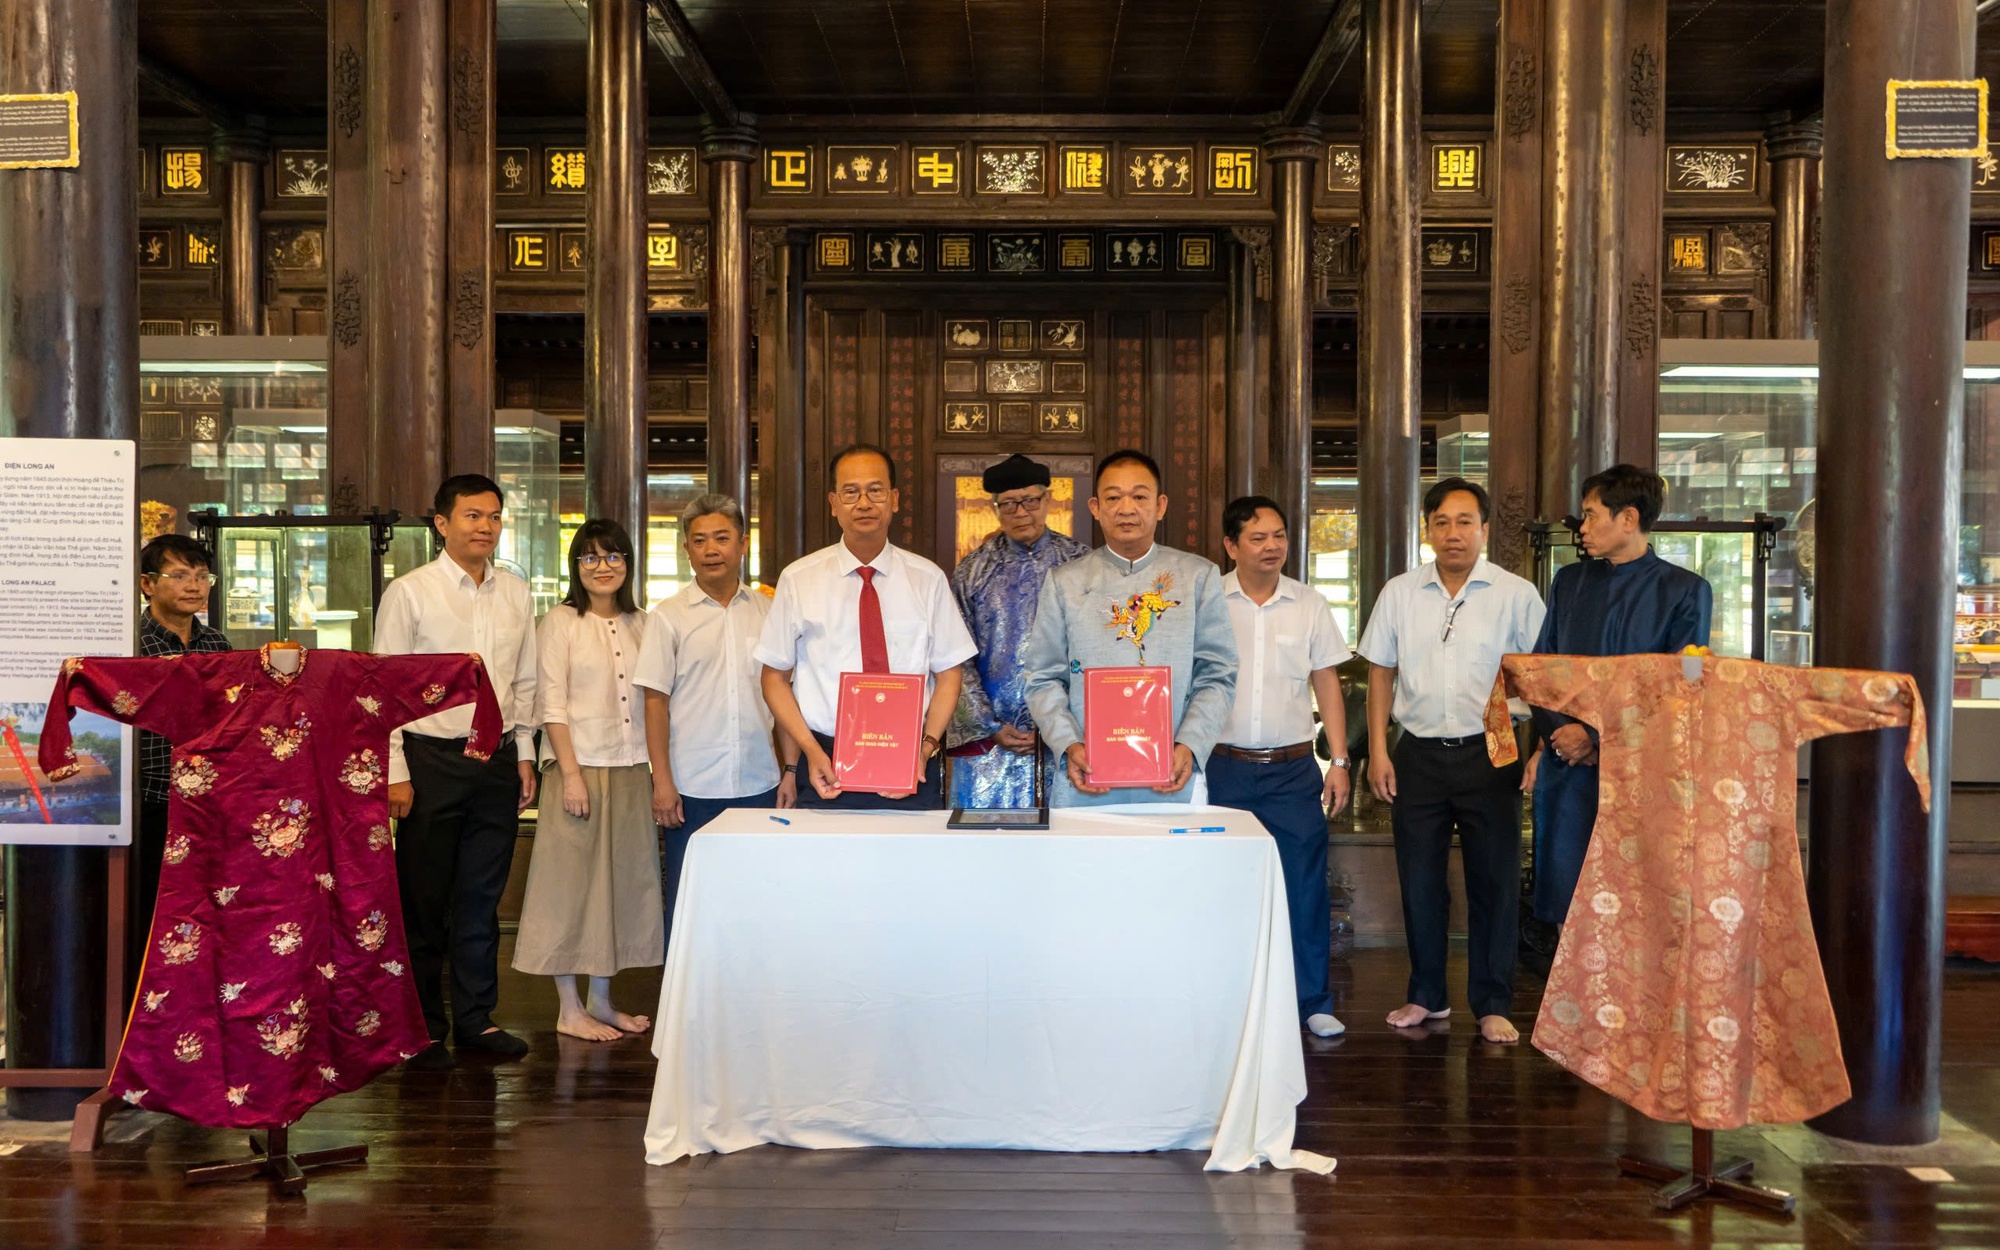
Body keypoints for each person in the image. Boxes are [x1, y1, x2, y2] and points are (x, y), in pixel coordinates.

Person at [1358, 478, 1546, 1045]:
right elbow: (1380, 673)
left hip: (1493, 749)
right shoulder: (1400, 592)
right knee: (1420, 882)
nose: (1453, 533)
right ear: (1428, 530)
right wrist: (1377, 751)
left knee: (1495, 882)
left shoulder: (1515, 594)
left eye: (1465, 522)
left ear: (1484, 529)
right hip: (1416, 752)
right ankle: (1426, 995)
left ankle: (1492, 1002)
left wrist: (1541, 750)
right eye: (1441, 522)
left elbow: (1545, 676)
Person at [377, 474, 540, 1068]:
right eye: (472, 516)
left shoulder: (516, 593)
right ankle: (421, 1028)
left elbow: (525, 682)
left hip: (496, 759)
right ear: (442, 523)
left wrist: (525, 754)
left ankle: (476, 1019)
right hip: (430, 760)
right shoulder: (410, 592)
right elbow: (384, 688)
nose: (485, 527)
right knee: (423, 900)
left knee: (481, 897)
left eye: (494, 516)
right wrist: (395, 770)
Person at [1528, 463, 1712, 925]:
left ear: (1628, 518)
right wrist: (1564, 734)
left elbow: (1684, 684)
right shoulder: (1569, 582)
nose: (1583, 527)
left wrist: (1594, 736)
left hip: (1640, 770)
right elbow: (1540, 668)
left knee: (1637, 903)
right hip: (1568, 766)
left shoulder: (1687, 591)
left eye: (1591, 515)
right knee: (1568, 901)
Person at [756, 444, 976, 810]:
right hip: (825, 761)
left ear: (894, 499)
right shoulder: (799, 579)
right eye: (851, 492)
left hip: (912, 760)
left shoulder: (927, 579)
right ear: (833, 503)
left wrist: (926, 747)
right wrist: (810, 751)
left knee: (911, 849)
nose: (863, 503)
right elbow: (773, 678)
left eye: (875, 491)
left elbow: (950, 673)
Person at [512, 519, 661, 1043]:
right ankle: (569, 1008)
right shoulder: (560, 621)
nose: (603, 567)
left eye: (613, 556)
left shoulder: (644, 623)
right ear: (576, 566)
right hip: (577, 769)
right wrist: (570, 775)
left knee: (617, 886)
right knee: (569, 886)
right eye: (590, 557)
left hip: (632, 768)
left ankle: (601, 999)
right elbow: (550, 703)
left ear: (628, 564)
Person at [1210, 496, 1353, 1039]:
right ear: (1231, 546)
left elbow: (1327, 682)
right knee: (1223, 888)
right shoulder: (1208, 601)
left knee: (1304, 887)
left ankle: (1313, 1001)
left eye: (1279, 536)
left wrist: (1338, 760)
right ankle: (1229, 1002)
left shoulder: (1309, 603)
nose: (1272, 547)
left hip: (1293, 771)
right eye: (1258, 538)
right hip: (1222, 767)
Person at [1022, 449, 1237, 807]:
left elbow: (1218, 673)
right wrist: (1069, 744)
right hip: (1087, 775)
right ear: (1095, 507)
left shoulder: (1197, 577)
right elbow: (1042, 677)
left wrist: (1190, 744)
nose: (1126, 509)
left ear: (1160, 505)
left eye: (1139, 497)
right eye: (1113, 498)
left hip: (1173, 774)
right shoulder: (1065, 582)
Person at [636, 494, 792, 942]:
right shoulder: (667, 618)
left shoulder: (769, 612)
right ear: (686, 549)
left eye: (722, 538)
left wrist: (790, 771)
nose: (711, 550)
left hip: (760, 783)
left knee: (757, 903)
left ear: (743, 543)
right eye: (699, 540)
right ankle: (686, 991)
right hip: (692, 788)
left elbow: (785, 698)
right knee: (692, 906)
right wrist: (662, 782)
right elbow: (654, 703)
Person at [945, 454, 1090, 809]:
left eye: (1030, 501)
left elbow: (1095, 651)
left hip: (1068, 740)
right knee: (984, 837)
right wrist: (989, 725)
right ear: (994, 508)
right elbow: (956, 656)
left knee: (1064, 836)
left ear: (1048, 500)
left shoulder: (1080, 564)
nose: (1020, 512)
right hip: (991, 744)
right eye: (1008, 503)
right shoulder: (972, 571)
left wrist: (1062, 726)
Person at [133, 534, 230, 994]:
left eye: (202, 575)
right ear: (147, 584)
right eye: (179, 575)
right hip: (150, 799)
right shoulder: (131, 643)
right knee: (149, 914)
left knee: (205, 914)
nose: (194, 585)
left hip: (209, 805)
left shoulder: (217, 643)